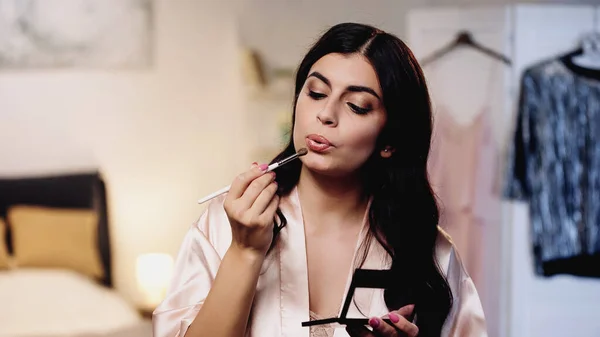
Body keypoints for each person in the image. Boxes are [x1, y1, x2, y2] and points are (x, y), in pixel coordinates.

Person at [152, 22, 487, 337]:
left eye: (356, 106)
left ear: (390, 142)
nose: (326, 114)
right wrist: (245, 251)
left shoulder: (429, 252)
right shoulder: (227, 225)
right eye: (315, 93)